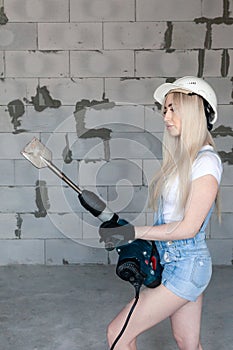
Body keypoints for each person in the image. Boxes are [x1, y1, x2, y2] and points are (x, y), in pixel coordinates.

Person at [99, 76, 222, 350]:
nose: (166, 116)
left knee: (117, 334)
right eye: (164, 109)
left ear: (195, 111)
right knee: (187, 342)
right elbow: (169, 221)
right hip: (173, 261)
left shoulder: (206, 162)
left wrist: (132, 232)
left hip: (187, 266)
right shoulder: (185, 160)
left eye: (172, 108)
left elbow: (187, 228)